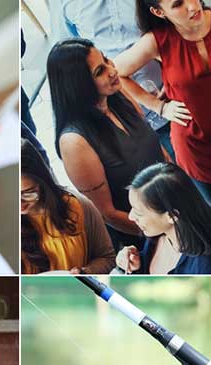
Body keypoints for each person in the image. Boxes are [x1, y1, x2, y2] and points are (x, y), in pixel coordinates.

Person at [115, 0, 211, 226]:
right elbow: (116, 73)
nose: (193, 6)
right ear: (159, 12)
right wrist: (160, 107)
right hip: (197, 145)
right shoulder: (157, 40)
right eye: (178, 4)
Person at [48, 38, 167, 250]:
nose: (112, 70)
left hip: (173, 206)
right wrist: (164, 229)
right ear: (79, 86)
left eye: (106, 60)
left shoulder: (118, 94)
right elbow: (108, 213)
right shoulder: (75, 142)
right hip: (142, 235)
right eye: (99, 71)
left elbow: (155, 147)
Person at [51, 0, 175, 159]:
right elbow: (67, 63)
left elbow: (178, 21)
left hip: (171, 98)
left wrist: (173, 70)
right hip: (123, 121)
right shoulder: (64, 4)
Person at [116, 163, 211, 275]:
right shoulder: (158, 237)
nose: (131, 217)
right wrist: (136, 264)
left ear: (172, 216)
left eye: (138, 213)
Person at [20, 140, 115, 274]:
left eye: (28, 193)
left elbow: (107, 258)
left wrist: (85, 272)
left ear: (43, 182)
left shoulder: (76, 206)